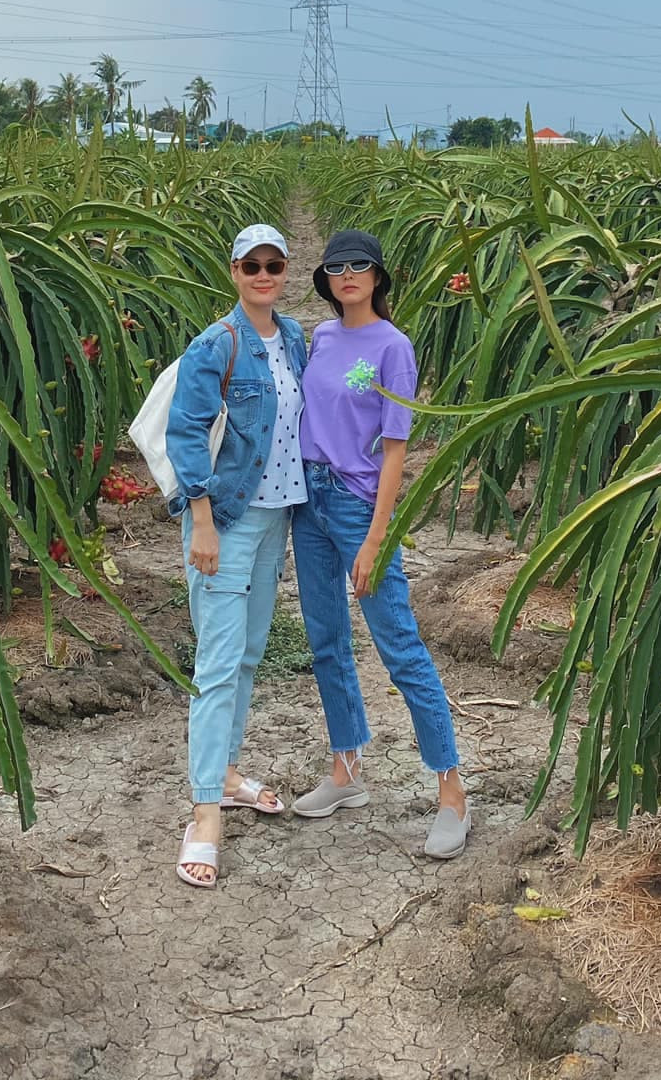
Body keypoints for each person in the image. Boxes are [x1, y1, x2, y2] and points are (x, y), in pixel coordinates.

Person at [291, 229, 469, 858]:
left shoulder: (394, 347)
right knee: (326, 643)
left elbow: (396, 451)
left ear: (377, 277)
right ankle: (346, 772)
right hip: (306, 502)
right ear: (327, 280)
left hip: (357, 504)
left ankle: (452, 793)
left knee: (398, 644)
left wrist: (376, 537)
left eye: (358, 266)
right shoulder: (322, 337)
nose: (347, 276)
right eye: (336, 268)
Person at [165, 223, 309, 888]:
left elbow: (330, 395)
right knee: (217, 665)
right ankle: (203, 815)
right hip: (226, 520)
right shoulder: (215, 345)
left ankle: (222, 775)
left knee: (247, 654)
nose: (262, 274)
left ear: (285, 272)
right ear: (233, 271)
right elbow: (186, 433)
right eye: (251, 265)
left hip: (277, 519)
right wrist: (201, 523)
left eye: (273, 265)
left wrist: (383, 369)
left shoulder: (297, 340)